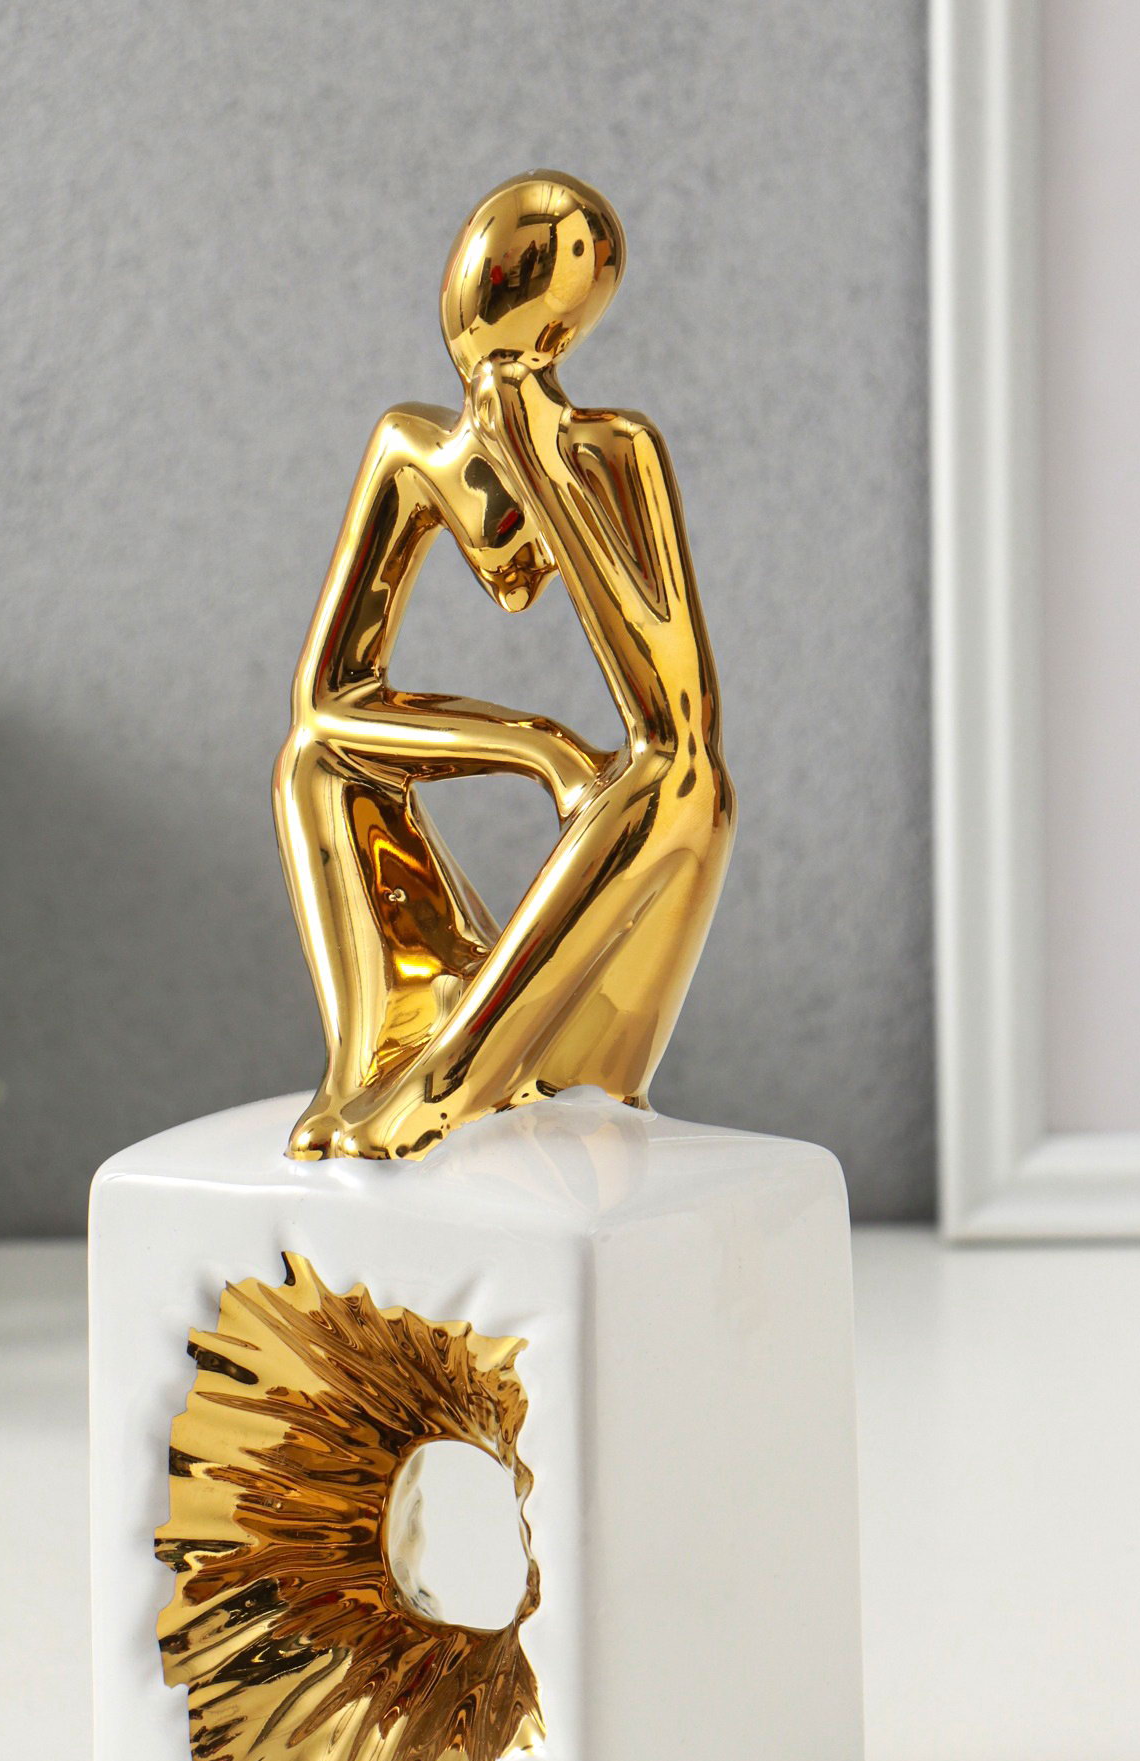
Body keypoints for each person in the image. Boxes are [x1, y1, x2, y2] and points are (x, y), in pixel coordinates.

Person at [276, 170, 735, 1160]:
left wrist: (545, 471)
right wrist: (534, 746)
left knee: (680, 777)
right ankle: (373, 1058)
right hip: (463, 983)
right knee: (313, 761)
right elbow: (323, 701)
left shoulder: (616, 452)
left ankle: (442, 1089)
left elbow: (678, 717)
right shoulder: (412, 449)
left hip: (604, 946)